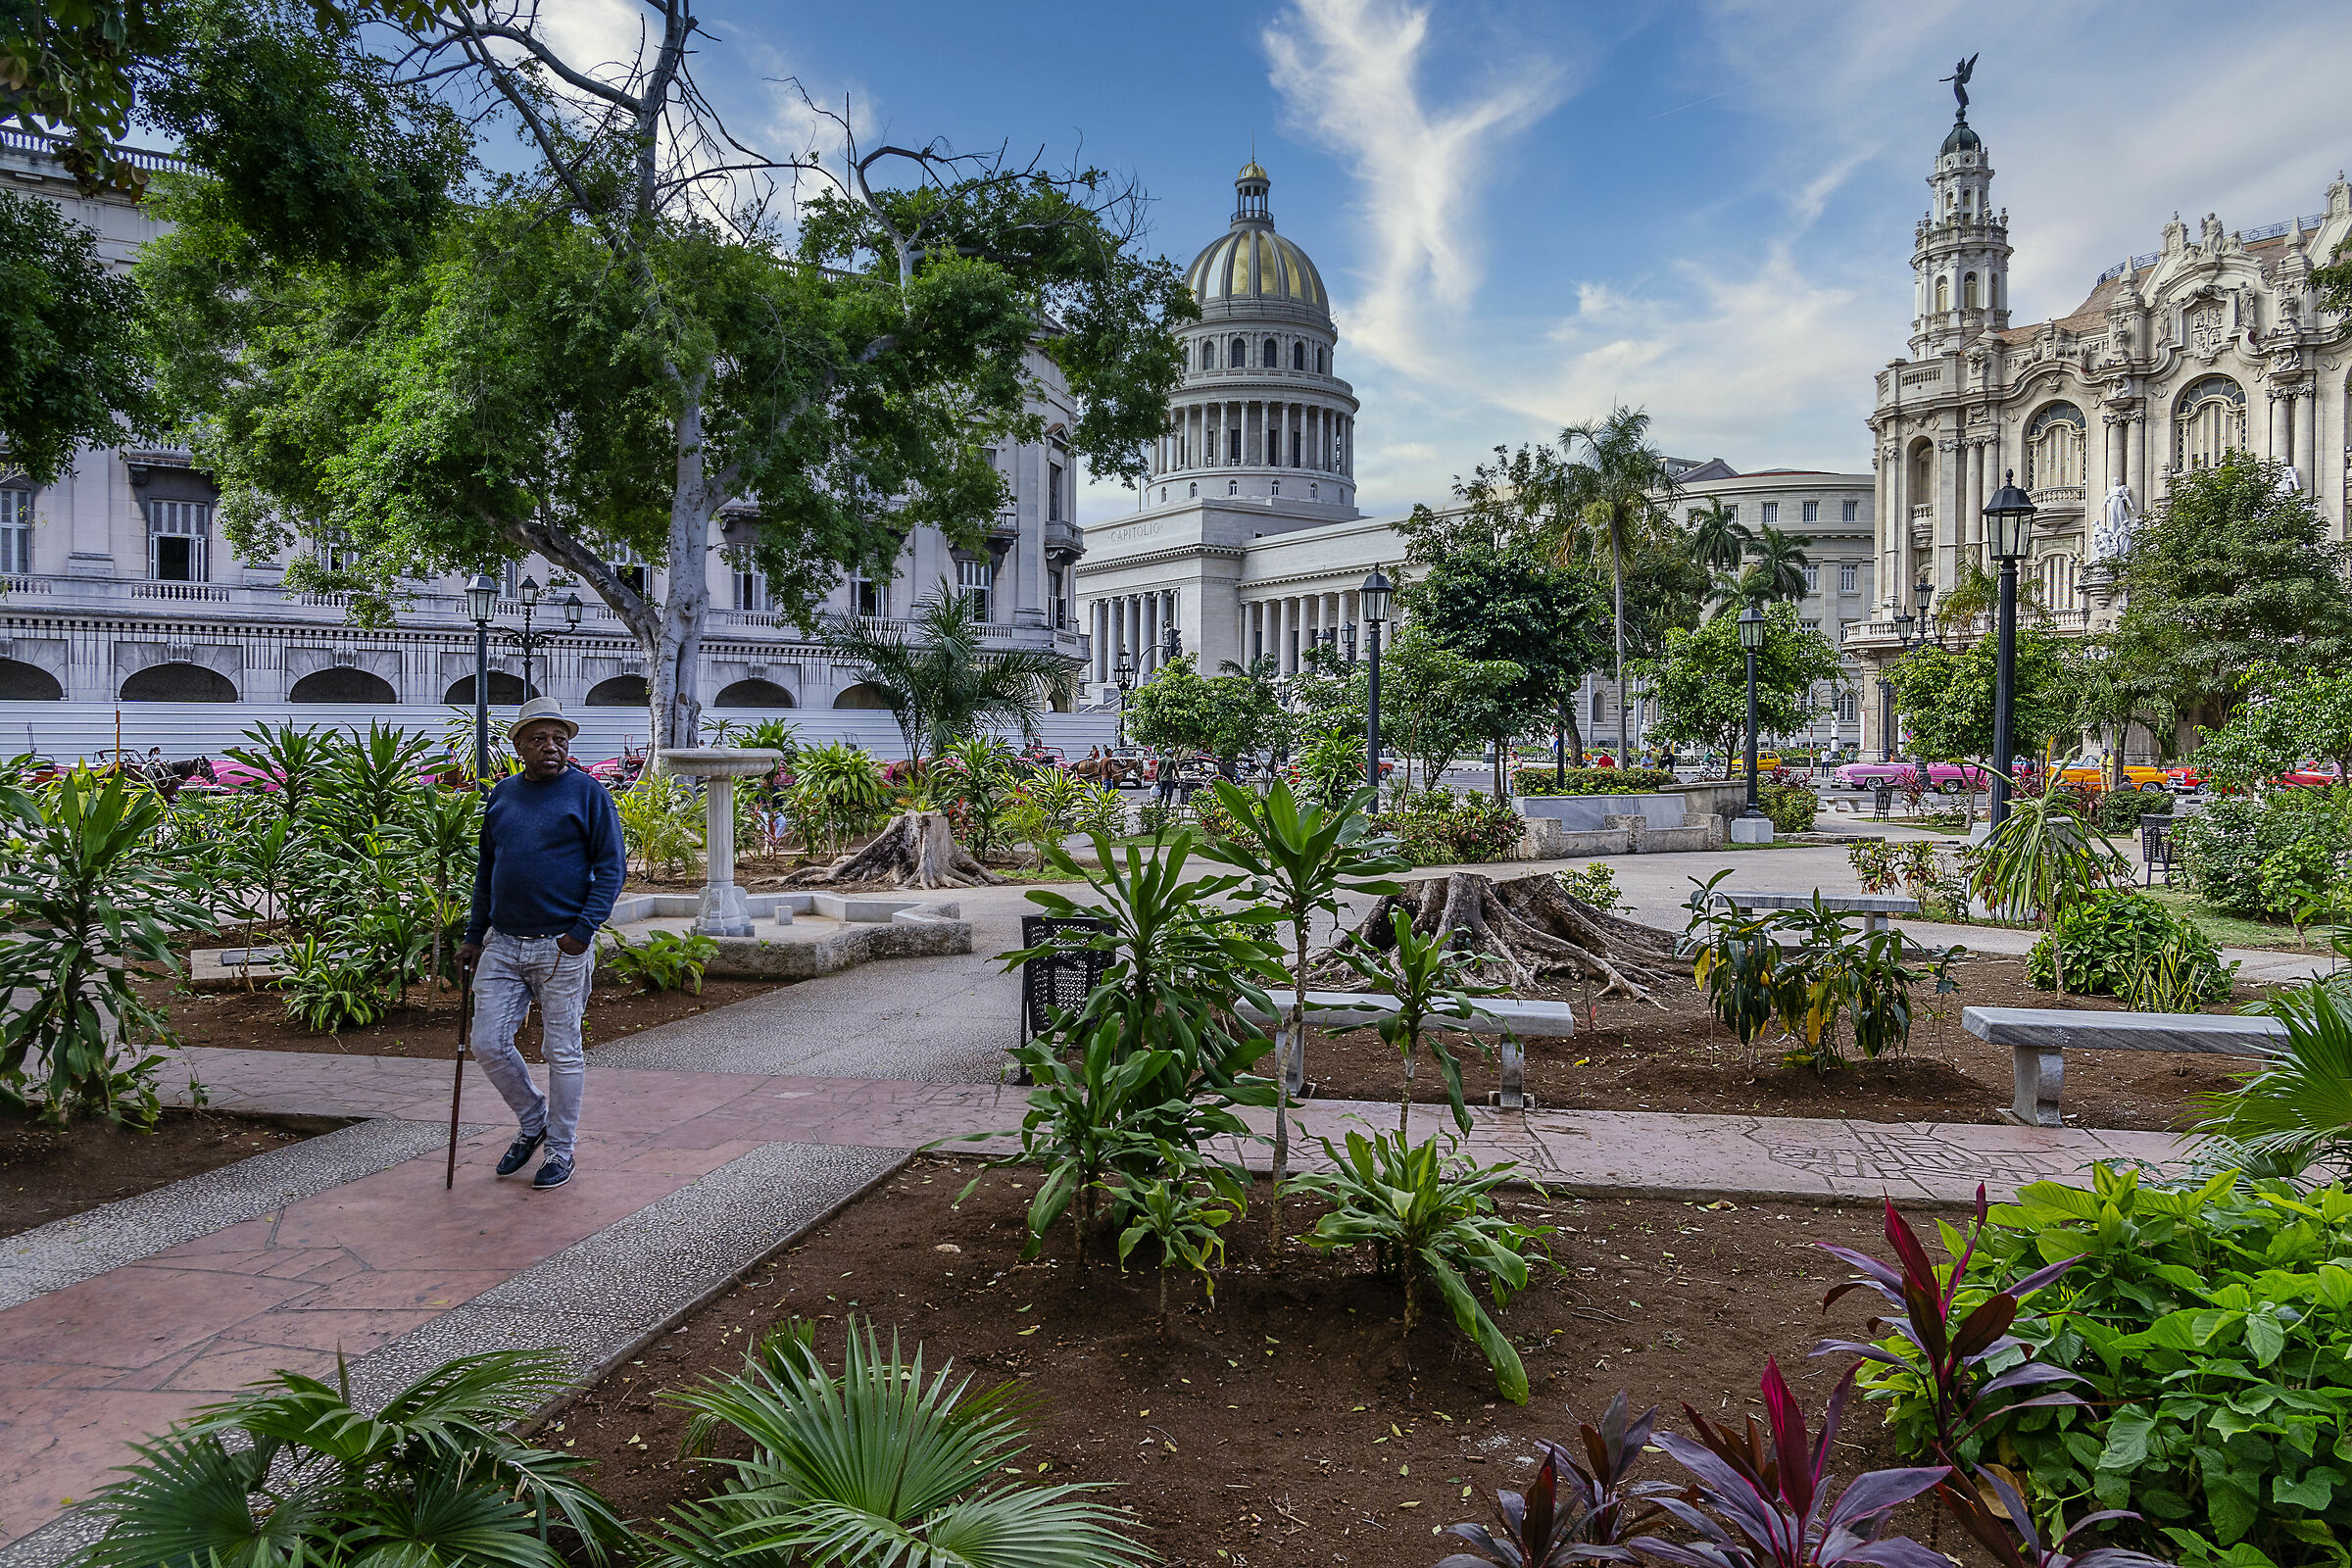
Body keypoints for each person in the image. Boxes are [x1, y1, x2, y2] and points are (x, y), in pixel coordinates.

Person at [458, 698, 624, 1192]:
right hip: (504, 943)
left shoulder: (588, 793)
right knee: (486, 1043)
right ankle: (534, 1122)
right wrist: (473, 936)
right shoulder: (503, 796)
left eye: (560, 739)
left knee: (562, 1050)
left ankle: (560, 1150)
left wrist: (582, 930)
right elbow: (488, 869)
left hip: (561, 945)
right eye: (539, 739)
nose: (552, 748)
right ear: (520, 746)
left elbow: (611, 868)